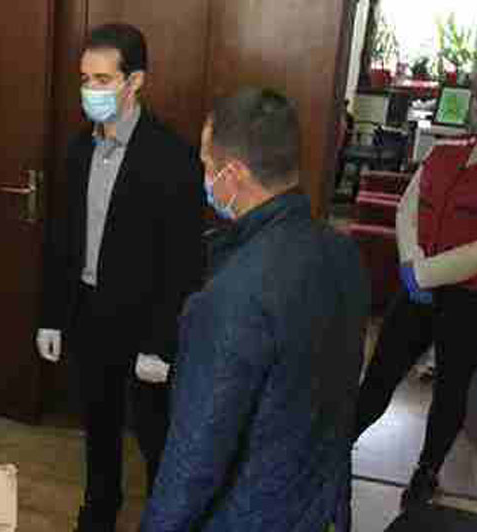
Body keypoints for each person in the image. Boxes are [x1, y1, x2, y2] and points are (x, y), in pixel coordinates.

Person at [140, 88, 369, 532]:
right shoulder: (343, 253)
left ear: (234, 174)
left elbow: (196, 455)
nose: (204, 177)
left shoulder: (232, 295)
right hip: (320, 506)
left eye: (207, 165)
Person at [354, 56, 477, 508]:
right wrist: (410, 261)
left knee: (450, 387)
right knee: (381, 373)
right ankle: (336, 448)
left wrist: (425, 272)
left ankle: (426, 473)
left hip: (476, 302)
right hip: (418, 290)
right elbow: (408, 206)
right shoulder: (445, 149)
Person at [35, 23, 205, 532]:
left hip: (145, 321)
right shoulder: (78, 149)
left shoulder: (172, 156)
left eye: (103, 79)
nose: (91, 90)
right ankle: (99, 509)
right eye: (85, 78)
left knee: (155, 433)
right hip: (89, 313)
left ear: (135, 82)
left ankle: (164, 519)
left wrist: (161, 343)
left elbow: (183, 261)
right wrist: (51, 317)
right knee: (98, 423)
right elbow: (62, 240)